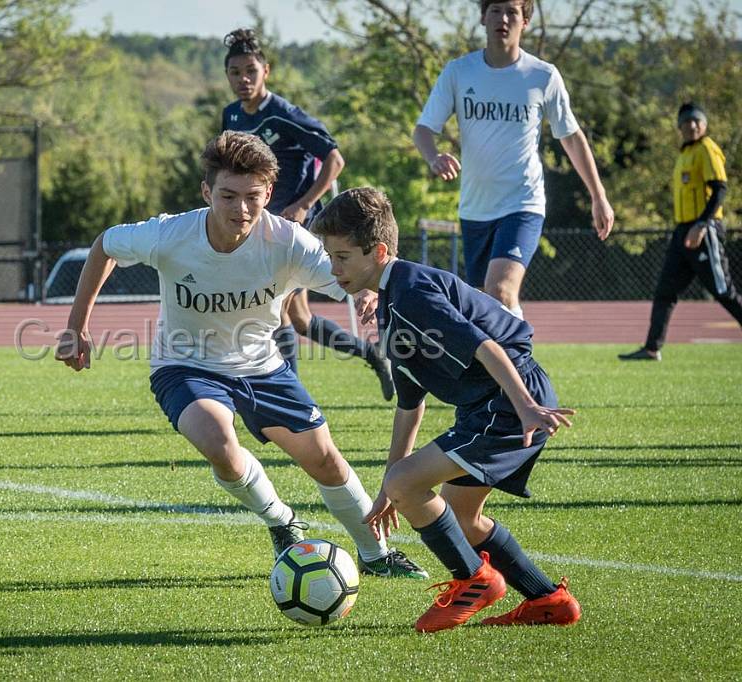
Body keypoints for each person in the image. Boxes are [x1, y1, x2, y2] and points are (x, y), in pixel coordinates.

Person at [56, 131, 427, 579]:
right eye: (228, 196)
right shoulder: (170, 234)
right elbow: (104, 246)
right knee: (219, 443)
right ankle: (282, 521)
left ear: (269, 193)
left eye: (253, 196)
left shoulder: (289, 242)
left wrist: (370, 294)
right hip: (185, 365)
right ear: (207, 191)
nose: (242, 209)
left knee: (325, 460)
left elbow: (353, 271)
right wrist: (76, 328)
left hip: (264, 367)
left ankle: (376, 554)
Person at [312, 186, 582, 632]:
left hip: (507, 401)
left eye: (342, 257)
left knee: (412, 485)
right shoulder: (391, 301)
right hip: (496, 403)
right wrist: (388, 489)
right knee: (460, 518)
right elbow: (409, 403)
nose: (333, 267)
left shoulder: (413, 293)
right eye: (330, 256)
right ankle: (549, 600)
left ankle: (474, 580)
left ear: (378, 251)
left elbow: (486, 346)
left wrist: (527, 405)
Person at [413, 0, 615, 320]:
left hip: (523, 203)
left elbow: (572, 138)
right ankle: (515, 356)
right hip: (475, 208)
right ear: (482, 17)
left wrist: (599, 195)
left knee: (500, 291)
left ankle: (522, 366)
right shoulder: (459, 71)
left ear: (525, 22)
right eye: (495, 10)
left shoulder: (542, 76)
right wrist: (433, 156)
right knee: (484, 305)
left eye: (512, 12)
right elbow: (423, 129)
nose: (503, 18)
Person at [221, 28, 394, 400]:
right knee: (299, 319)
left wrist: (303, 204)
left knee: (278, 309)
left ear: (266, 70)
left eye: (251, 70)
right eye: (235, 72)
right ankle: (372, 355)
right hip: (260, 223)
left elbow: (335, 159)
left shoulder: (283, 115)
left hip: (293, 227)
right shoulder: (231, 115)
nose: (243, 79)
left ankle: (291, 398)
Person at [619, 102, 742, 361]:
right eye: (686, 121)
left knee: (723, 290)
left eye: (697, 121)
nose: (692, 125)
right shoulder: (684, 154)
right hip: (682, 231)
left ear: (705, 125)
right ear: (679, 126)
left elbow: (720, 189)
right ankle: (652, 348)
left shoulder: (707, 149)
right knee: (665, 291)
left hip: (702, 229)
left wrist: (701, 225)